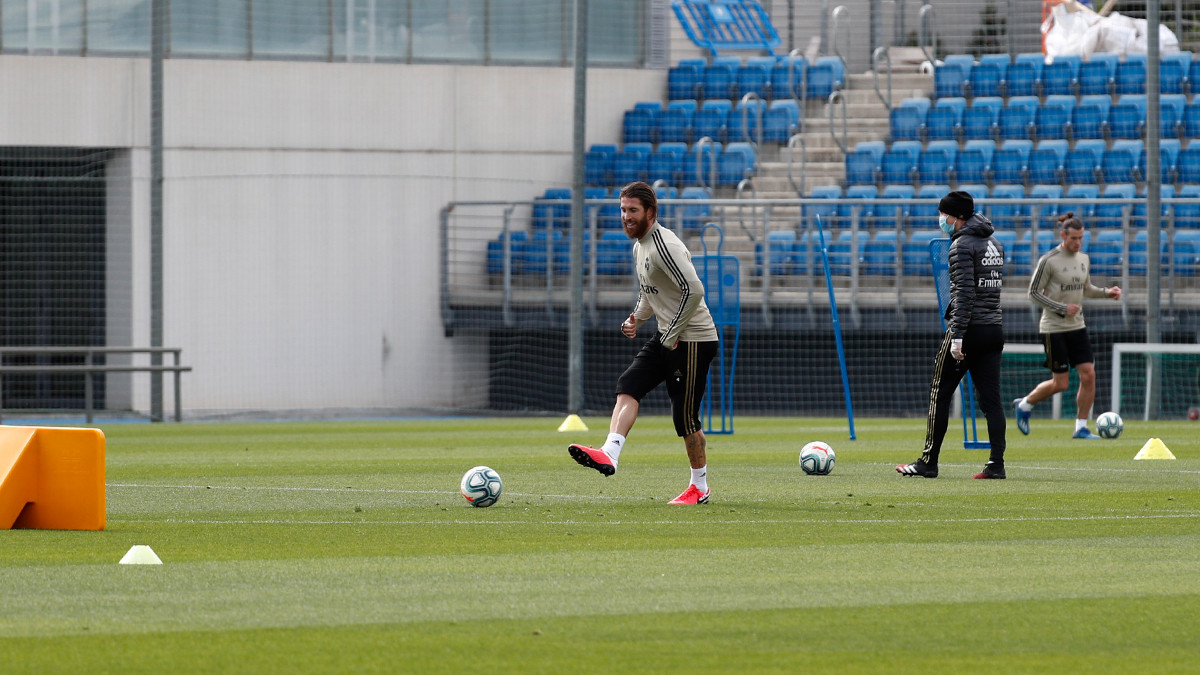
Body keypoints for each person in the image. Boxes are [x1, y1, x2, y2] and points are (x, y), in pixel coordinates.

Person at [568, 181, 720, 504]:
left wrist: (672, 334)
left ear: (651, 212)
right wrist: (636, 318)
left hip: (693, 339)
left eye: (633, 210)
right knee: (629, 384)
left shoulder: (665, 245)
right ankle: (610, 453)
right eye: (623, 210)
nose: (626, 216)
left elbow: (694, 290)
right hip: (668, 335)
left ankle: (700, 487)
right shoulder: (640, 247)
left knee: (685, 418)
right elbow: (649, 292)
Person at [897, 190, 1008, 479]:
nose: (940, 219)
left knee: (940, 392)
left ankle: (928, 462)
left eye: (943, 214)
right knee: (992, 401)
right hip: (993, 328)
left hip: (968, 330)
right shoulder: (994, 243)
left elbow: (964, 294)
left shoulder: (961, 246)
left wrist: (957, 335)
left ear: (956, 217)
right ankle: (996, 464)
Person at [1013, 213, 1122, 439]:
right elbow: (1033, 293)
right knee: (1061, 383)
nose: (1078, 242)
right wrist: (1061, 308)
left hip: (1077, 326)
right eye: (1074, 238)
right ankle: (1025, 404)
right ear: (1063, 236)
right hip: (1054, 328)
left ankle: (1081, 427)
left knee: (1089, 375)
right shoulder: (1049, 261)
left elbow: (1086, 288)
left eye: (1081, 238)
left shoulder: (1083, 258)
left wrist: (1106, 293)